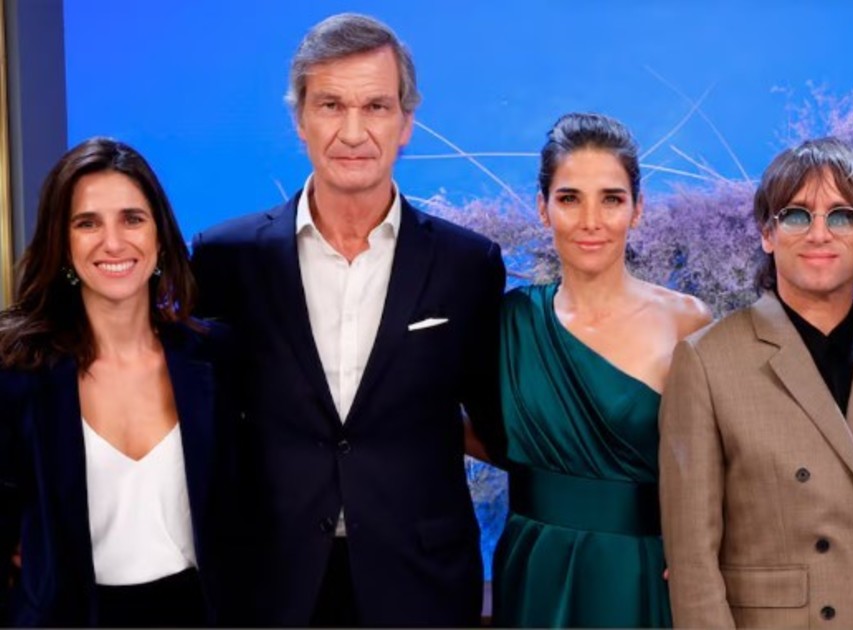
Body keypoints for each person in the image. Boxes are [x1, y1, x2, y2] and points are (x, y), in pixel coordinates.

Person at [189, 13, 506, 627]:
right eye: (331, 105)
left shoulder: (468, 265)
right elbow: (198, 422)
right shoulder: (226, 258)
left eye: (376, 107)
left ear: (406, 122)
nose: (353, 132)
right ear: (300, 120)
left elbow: (500, 422)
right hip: (269, 585)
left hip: (420, 584)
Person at [659, 138, 853, 628]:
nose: (819, 234)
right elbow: (692, 561)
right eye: (797, 215)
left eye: (842, 216)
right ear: (767, 233)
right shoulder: (706, 361)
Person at [0, 137, 240, 626]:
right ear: (62, 243)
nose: (113, 242)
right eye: (87, 223)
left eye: (132, 219)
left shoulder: (216, 357)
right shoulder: (17, 373)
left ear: (159, 235)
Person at [489, 112, 711, 628]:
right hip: (535, 565)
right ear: (543, 208)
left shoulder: (687, 321)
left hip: (639, 572)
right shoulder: (512, 321)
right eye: (570, 198)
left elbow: (717, 462)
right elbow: (478, 429)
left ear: (638, 209)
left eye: (611, 199)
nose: (591, 221)